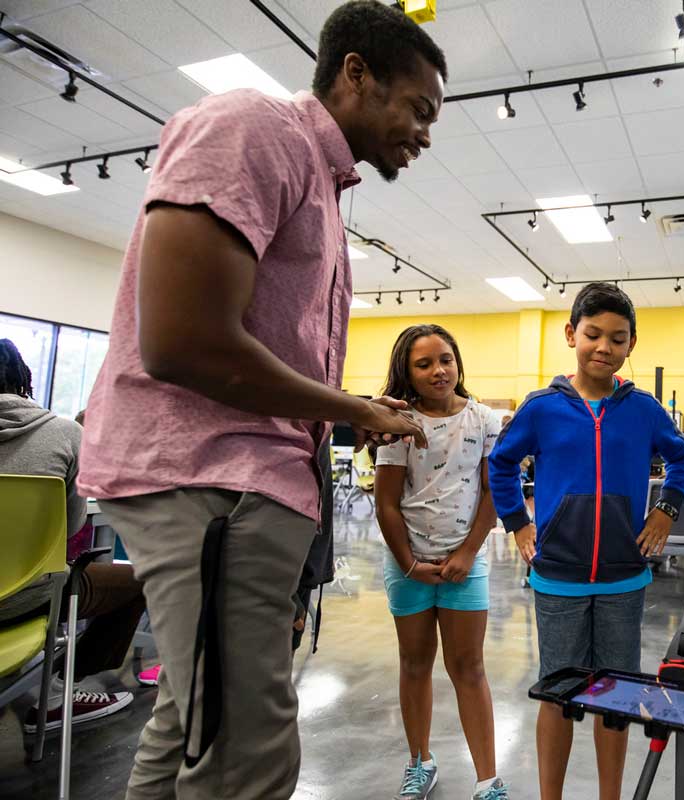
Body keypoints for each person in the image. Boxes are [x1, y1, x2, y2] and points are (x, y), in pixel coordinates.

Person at [75, 3, 444, 797]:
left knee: (188, 722)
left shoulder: (320, 186)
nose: (423, 132)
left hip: (245, 485)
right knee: (247, 752)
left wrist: (343, 412)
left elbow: (249, 347)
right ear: (355, 73)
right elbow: (180, 339)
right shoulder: (255, 128)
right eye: (418, 108)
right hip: (210, 477)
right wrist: (355, 412)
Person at [488, 282, 684, 800]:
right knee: (557, 694)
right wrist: (518, 523)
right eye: (593, 334)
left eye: (618, 338)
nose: (604, 346)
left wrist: (667, 510)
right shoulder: (541, 408)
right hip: (558, 575)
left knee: (617, 695)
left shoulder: (643, 409)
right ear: (571, 334)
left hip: (625, 576)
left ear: (630, 345)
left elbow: (682, 457)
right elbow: (502, 463)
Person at [373, 325, 509, 800]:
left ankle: (489, 780)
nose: (438, 371)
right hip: (407, 564)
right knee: (414, 663)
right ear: (407, 373)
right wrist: (409, 564)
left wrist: (468, 553)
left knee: (468, 666)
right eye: (424, 363)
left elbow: (494, 491)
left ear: (458, 363)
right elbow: (387, 504)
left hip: (465, 565)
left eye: (446, 359)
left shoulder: (484, 420)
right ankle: (420, 762)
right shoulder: (399, 423)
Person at [0, 340, 142, 731]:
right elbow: (72, 527)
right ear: (22, 381)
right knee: (142, 580)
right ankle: (57, 689)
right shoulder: (63, 434)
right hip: (32, 596)